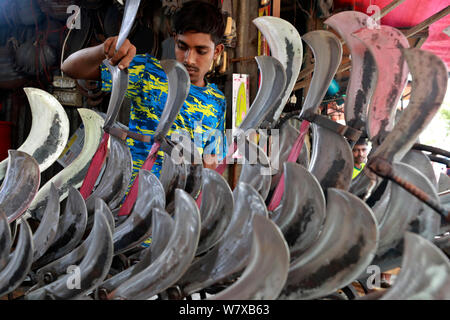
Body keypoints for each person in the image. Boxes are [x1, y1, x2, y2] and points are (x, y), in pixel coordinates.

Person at [61, 1, 227, 182]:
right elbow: (70, 68)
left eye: (201, 51)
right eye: (182, 46)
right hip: (132, 199)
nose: (190, 59)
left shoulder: (217, 101)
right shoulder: (148, 72)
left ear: (217, 51)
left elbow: (212, 159)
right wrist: (104, 49)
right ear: (174, 39)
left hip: (178, 203)